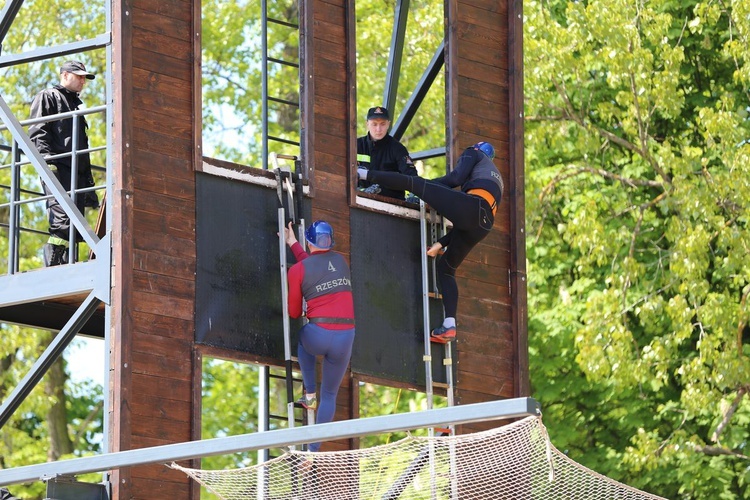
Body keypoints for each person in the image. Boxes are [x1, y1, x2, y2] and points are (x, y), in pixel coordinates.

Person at [358, 142, 503, 344]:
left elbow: (456, 179)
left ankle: (364, 174)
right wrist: (441, 243)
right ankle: (450, 325)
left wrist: (425, 187)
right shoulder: (496, 177)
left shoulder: (474, 153)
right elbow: (472, 220)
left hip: (473, 207)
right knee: (446, 269)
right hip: (483, 224)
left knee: (413, 182)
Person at [282, 220, 355, 452]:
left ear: (309, 241)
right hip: (346, 337)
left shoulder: (298, 271)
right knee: (331, 394)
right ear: (330, 241)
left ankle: (309, 393)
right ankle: (313, 452)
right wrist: (292, 243)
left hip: (318, 333)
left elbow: (294, 313)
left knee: (303, 340)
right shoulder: (340, 261)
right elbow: (316, 266)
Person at [29, 60, 99, 267]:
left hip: (76, 171)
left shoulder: (75, 105)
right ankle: (53, 262)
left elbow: (82, 147)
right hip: (57, 167)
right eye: (78, 76)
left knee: (76, 223)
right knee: (63, 220)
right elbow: (38, 131)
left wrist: (89, 184)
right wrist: (47, 163)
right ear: (65, 75)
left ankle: (66, 262)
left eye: (84, 78)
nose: (82, 81)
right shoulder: (48, 96)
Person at [356, 106, 417, 200]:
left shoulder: (398, 149)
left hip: (392, 204)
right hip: (360, 200)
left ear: (388, 124)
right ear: (367, 124)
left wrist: (414, 196)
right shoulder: (355, 146)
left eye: (382, 124)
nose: (378, 129)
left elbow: (412, 177)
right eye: (374, 124)